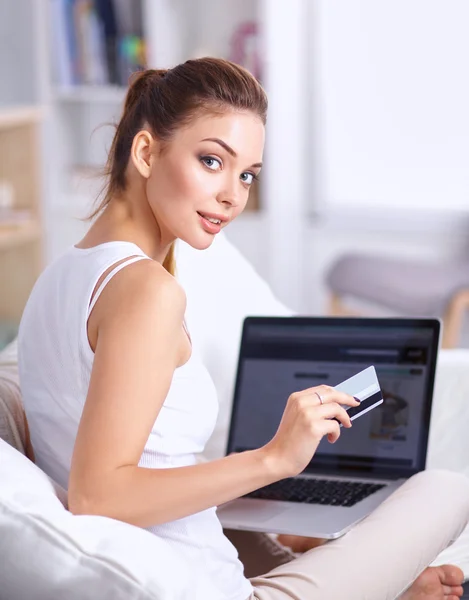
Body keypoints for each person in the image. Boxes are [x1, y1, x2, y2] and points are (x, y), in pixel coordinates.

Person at [17, 57, 469, 600]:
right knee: (447, 487)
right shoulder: (146, 292)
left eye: (248, 174)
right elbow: (99, 496)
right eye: (212, 161)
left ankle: (355, 575)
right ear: (145, 152)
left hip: (197, 559)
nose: (234, 195)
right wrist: (273, 458)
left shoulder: (60, 275)